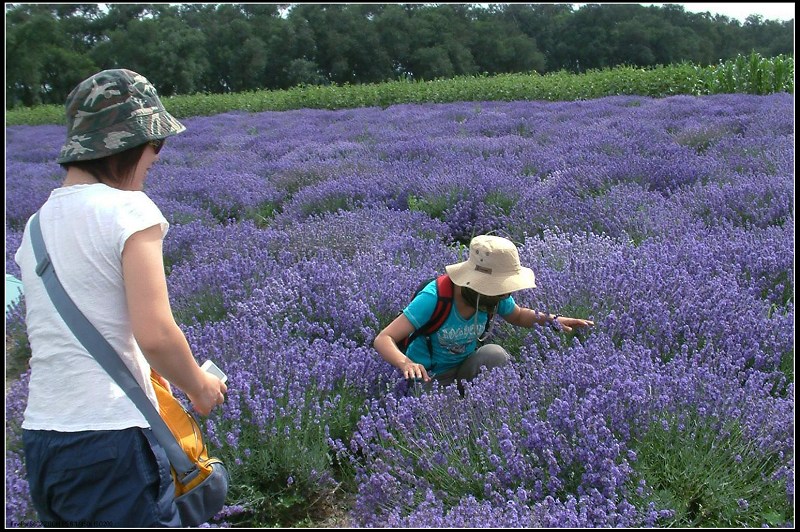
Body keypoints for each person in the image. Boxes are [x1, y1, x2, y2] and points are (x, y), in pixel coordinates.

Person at [14, 69, 228, 527]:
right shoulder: (129, 210)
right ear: (128, 143)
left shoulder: (35, 228)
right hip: (112, 440)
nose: (155, 157)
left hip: (43, 439)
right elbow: (154, 333)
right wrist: (198, 385)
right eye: (155, 145)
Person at [373, 234, 594, 392]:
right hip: (431, 377)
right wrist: (405, 363)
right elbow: (384, 338)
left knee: (495, 353)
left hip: (465, 368)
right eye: (499, 288)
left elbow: (517, 315)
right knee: (445, 421)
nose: (504, 295)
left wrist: (553, 320)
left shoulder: (493, 297)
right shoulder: (435, 298)